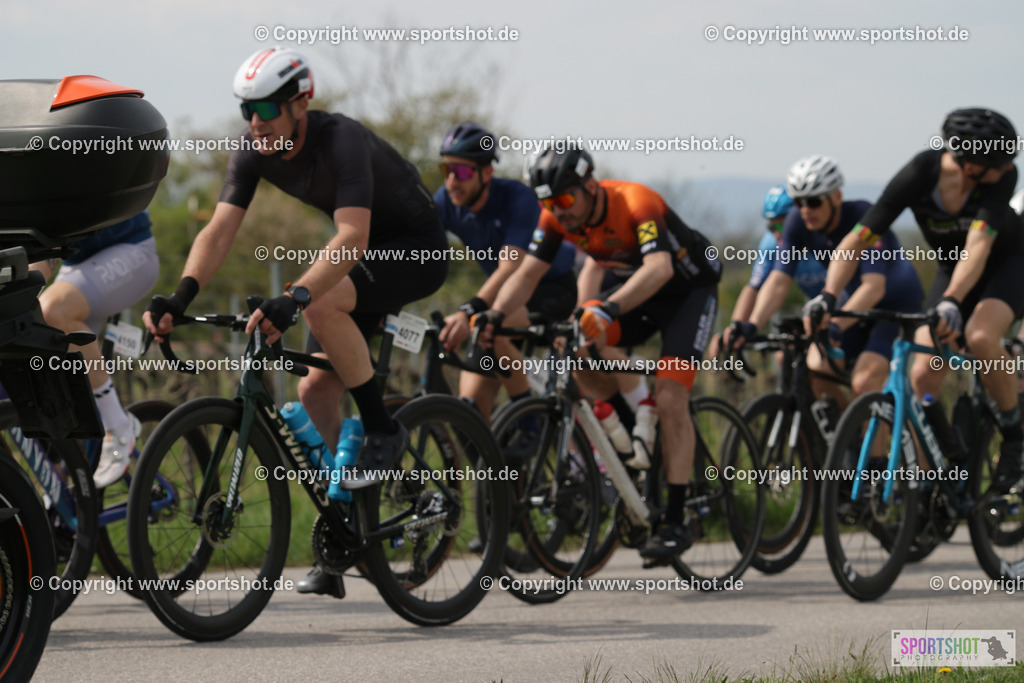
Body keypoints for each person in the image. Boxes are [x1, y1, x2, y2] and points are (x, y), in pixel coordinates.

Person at [143, 46, 449, 595]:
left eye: (265, 109)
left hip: (412, 249)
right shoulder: (254, 150)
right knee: (313, 396)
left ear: (300, 103)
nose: (255, 123)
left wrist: (299, 296)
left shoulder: (342, 140)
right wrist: (180, 296)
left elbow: (353, 236)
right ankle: (346, 532)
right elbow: (219, 231)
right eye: (246, 111)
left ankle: (383, 428)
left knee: (323, 302)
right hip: (357, 262)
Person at [477, 147, 722, 560]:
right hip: (638, 291)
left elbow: (659, 268)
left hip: (687, 294)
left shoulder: (635, 200)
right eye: (548, 203)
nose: (559, 210)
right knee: (578, 350)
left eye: (566, 199)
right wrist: (494, 314)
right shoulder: (557, 215)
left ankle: (677, 520)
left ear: (590, 185)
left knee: (670, 395)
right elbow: (528, 273)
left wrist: (605, 309)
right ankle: (630, 441)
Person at [809, 109, 1024, 494]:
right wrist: (827, 295)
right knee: (922, 375)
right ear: (972, 165)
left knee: (978, 336)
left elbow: (978, 245)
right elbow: (859, 238)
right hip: (951, 269)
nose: (1010, 166)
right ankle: (940, 471)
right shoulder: (920, 173)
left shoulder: (1003, 177)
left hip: (1007, 265)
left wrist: (952, 301)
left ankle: (1014, 433)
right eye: (1000, 160)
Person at [725, 156, 923, 404]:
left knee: (863, 383)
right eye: (799, 202)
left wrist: (835, 325)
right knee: (815, 371)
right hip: (852, 309)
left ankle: (867, 437)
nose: (806, 210)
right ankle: (846, 438)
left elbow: (874, 287)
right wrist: (751, 325)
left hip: (894, 307)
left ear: (836, 197)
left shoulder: (862, 216)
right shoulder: (797, 222)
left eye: (814, 201)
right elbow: (778, 281)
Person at [433, 122, 577, 420]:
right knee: (469, 411)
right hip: (501, 296)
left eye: (461, 172)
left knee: (487, 322)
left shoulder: (518, 198)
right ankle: (502, 458)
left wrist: (465, 311)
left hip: (550, 291)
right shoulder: (446, 201)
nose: (451, 181)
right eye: (445, 170)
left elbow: (511, 266)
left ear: (487, 172)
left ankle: (528, 423)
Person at [32, 211, 159, 488]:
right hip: (78, 261)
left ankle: (118, 424)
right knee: (29, 323)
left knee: (52, 309)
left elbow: (49, 249)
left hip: (129, 250)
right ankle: (57, 488)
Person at [707, 185, 827, 359]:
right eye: (772, 228)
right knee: (784, 357)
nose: (778, 235)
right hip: (816, 312)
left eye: (783, 227)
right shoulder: (771, 244)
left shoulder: (820, 239)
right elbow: (754, 288)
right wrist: (736, 327)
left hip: (846, 307)